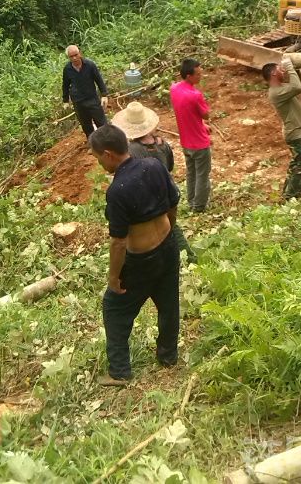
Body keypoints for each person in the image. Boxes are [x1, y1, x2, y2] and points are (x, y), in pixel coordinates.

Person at [89, 124, 180, 386]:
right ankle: (168, 355)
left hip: (141, 260)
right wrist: (169, 232)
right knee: (168, 302)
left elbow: (119, 242)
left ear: (108, 154)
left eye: (97, 158)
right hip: (167, 246)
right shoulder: (154, 165)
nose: (98, 163)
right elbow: (173, 203)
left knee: (114, 308)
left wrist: (114, 277)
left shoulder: (117, 191)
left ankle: (120, 371)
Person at [112, 101, 197, 263]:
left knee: (168, 228)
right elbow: (170, 166)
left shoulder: (132, 151)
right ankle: (186, 257)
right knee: (169, 224)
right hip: (165, 189)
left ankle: (187, 257)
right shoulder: (162, 144)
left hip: (147, 196)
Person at [262, 58, 301, 200]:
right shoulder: (276, 92)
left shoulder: (281, 88)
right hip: (296, 133)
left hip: (296, 131)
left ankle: (288, 193)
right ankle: (291, 196)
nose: (283, 71)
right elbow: (296, 87)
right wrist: (290, 67)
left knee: (297, 164)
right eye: (280, 69)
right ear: (273, 73)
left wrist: (296, 70)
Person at [170, 58, 211, 213]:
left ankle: (191, 201)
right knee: (202, 175)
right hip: (200, 144)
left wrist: (201, 124)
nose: (201, 76)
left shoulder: (174, 89)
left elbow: (188, 113)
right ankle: (199, 207)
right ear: (188, 76)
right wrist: (204, 120)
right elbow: (206, 114)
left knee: (191, 172)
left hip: (186, 142)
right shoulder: (195, 95)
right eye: (198, 74)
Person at [62, 45, 108, 138]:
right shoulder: (67, 69)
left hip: (92, 98)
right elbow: (65, 85)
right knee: (86, 124)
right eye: (71, 56)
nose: (74, 58)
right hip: (78, 101)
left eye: (76, 55)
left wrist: (104, 95)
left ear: (80, 53)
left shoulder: (90, 65)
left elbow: (99, 79)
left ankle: (106, 141)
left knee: (101, 121)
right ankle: (92, 143)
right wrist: (65, 101)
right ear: (68, 57)